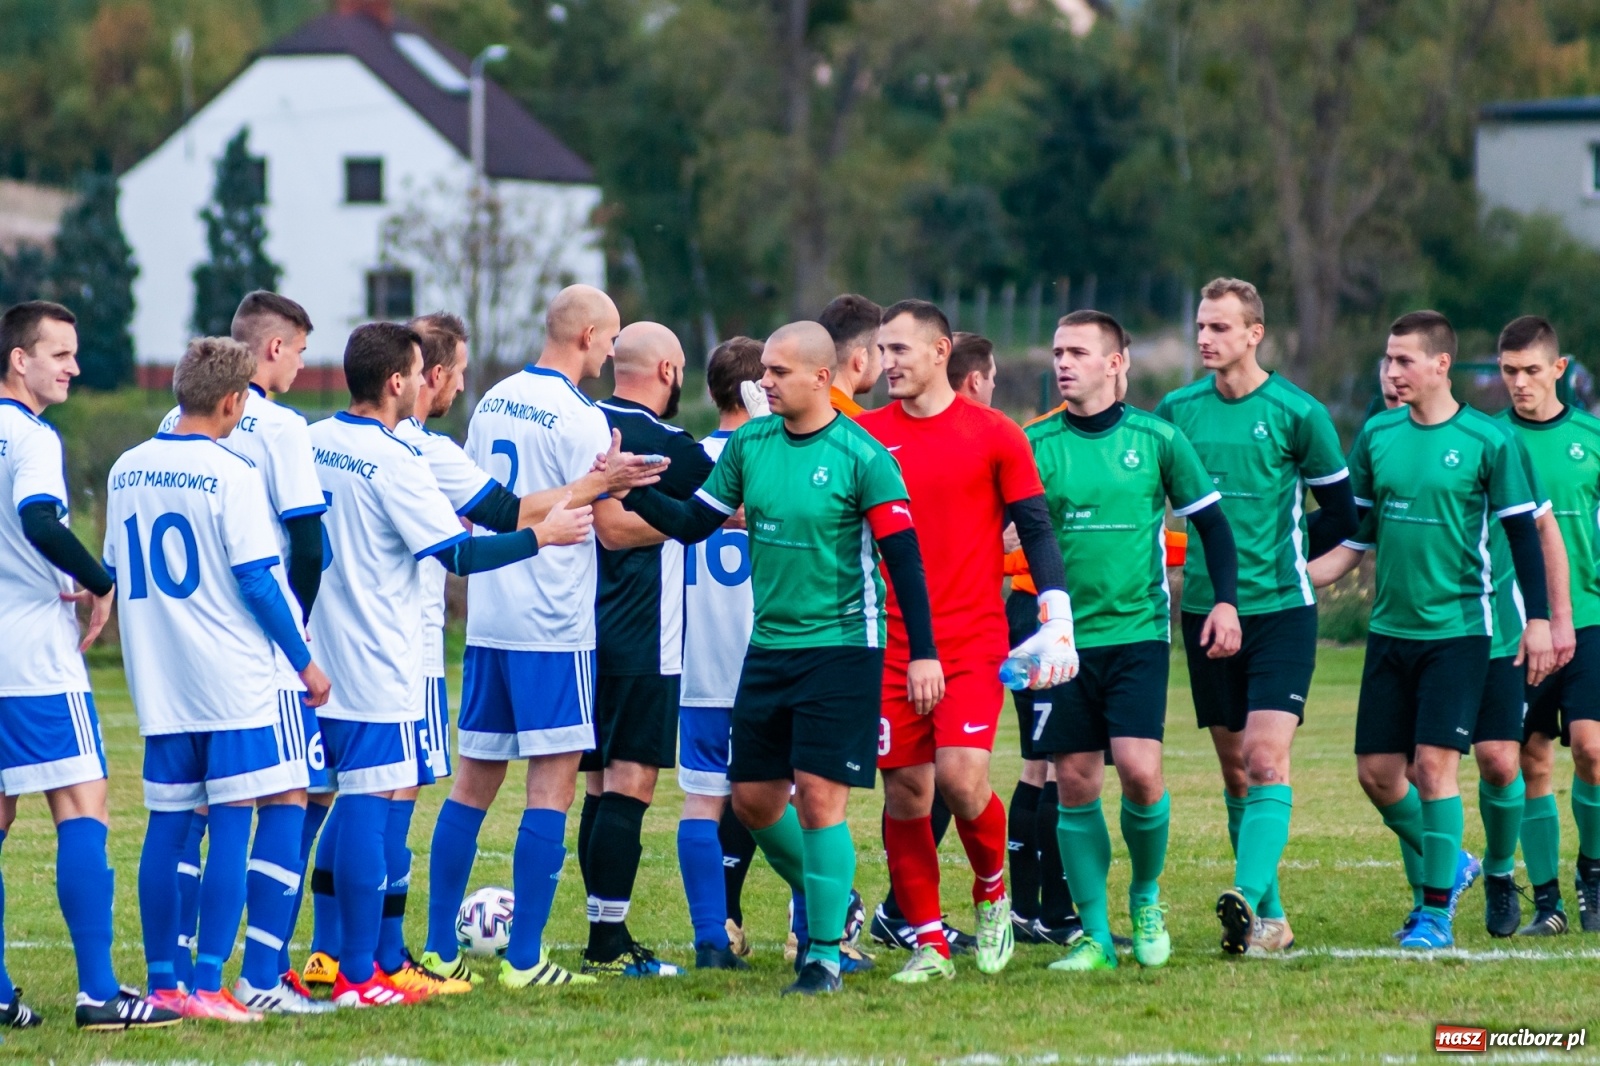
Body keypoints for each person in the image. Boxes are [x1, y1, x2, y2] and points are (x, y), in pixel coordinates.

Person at [617, 320, 942, 996]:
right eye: (763, 369)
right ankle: (834, 894)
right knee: (756, 802)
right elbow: (692, 523)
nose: (763, 381)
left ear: (822, 378)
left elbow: (905, 564)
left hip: (842, 651)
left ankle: (822, 952)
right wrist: (625, 488)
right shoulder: (751, 445)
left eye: (778, 372)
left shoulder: (864, 454)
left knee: (821, 799)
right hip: (766, 650)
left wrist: (924, 656)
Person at [307, 322, 592, 1007]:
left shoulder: (310, 440)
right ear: (402, 380)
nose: (455, 382)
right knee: (380, 806)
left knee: (340, 806)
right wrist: (542, 536)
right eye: (445, 369)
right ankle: (364, 968)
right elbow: (460, 551)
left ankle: (330, 958)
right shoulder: (401, 455)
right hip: (385, 655)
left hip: (320, 653)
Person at [419, 285, 651, 991]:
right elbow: (607, 525)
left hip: (491, 617)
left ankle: (436, 949)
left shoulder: (491, 399)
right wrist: (621, 484)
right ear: (586, 334)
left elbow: (481, 503)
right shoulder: (584, 418)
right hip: (553, 622)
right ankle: (524, 960)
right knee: (551, 789)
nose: (613, 353)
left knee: (471, 788)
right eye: (610, 339)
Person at [1308, 310, 1553, 950]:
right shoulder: (1378, 436)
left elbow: (1525, 535)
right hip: (1390, 632)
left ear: (1441, 364)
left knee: (1435, 767)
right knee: (1377, 773)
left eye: (1404, 361)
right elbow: (1353, 539)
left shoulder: (1486, 442)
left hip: (1461, 632)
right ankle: (1457, 864)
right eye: (1388, 361)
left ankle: (1436, 914)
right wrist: (1293, 581)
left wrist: (1540, 623)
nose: (1392, 373)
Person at [108, 336, 333, 1023]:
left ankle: (163, 983)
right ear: (235, 401)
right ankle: (209, 985)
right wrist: (305, 662)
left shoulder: (125, 468)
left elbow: (116, 569)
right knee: (233, 823)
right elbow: (259, 584)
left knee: (167, 827)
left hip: (160, 678)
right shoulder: (231, 470)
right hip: (231, 680)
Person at [859, 301, 1077, 985]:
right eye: (882, 350)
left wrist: (1056, 615)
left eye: (900, 350)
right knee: (906, 798)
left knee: (959, 779)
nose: (888, 363)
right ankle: (928, 942)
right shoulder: (863, 435)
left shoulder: (994, 433)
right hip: (890, 644)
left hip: (972, 640)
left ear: (940, 350)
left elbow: (1035, 528)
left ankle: (990, 889)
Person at [1029, 310, 1241, 974]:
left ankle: (1145, 900)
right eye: (1058, 351)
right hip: (1063, 640)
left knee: (1142, 775)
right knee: (1074, 780)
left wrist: (1226, 602)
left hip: (1138, 634)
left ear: (1115, 363)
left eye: (1079, 352)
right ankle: (1095, 935)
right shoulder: (1035, 443)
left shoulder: (1158, 439)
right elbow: (1004, 532)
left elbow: (1213, 526)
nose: (1063, 362)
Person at [1152, 277, 1357, 955]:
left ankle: (1241, 894)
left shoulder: (1299, 413)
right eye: (1201, 327)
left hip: (1280, 616)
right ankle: (1268, 919)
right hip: (1207, 615)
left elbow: (1344, 518)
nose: (1205, 339)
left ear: (1254, 333)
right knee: (1236, 771)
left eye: (1219, 328)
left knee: (1268, 759)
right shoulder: (1177, 411)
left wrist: (1299, 570)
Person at [0, 301, 179, 1031]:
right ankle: (100, 994)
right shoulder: (32, 438)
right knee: (83, 805)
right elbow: (39, 519)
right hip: (33, 658)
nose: (74, 366)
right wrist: (101, 581)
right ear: (19, 360)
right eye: (60, 353)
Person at [577, 322, 714, 978]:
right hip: (639, 629)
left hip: (577, 627)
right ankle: (607, 941)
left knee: (600, 783)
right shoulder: (669, 445)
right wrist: (692, 523)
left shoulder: (580, 419)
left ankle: (603, 927)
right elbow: (614, 526)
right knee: (630, 779)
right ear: (667, 370)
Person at [1495, 316, 1597, 934]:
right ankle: (1550, 903)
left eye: (1532, 370)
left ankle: (1592, 873)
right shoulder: (1491, 442)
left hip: (1589, 618)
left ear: (1558, 369)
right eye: (1509, 371)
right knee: (1529, 759)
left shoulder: (1590, 436)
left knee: (1590, 748)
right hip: (1517, 627)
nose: (1519, 382)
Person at [676, 338, 764, 963]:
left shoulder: (683, 460)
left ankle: (712, 935)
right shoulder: (772, 457)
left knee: (701, 800)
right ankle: (811, 931)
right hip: (768, 658)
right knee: (796, 799)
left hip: (696, 661)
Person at [819, 294, 883, 416]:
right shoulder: (860, 427)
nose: (885, 364)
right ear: (861, 359)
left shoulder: (787, 415)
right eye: (881, 350)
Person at [948, 332, 998, 406]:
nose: (993, 385)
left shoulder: (926, 414)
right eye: (992, 377)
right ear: (976, 381)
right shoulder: (995, 417)